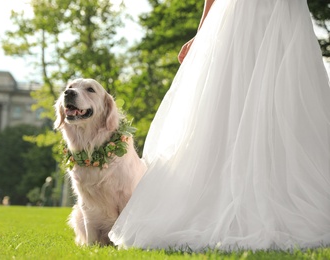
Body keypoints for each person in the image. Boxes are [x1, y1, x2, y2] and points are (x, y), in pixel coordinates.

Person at [109, 0, 330, 251]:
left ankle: (273, 195)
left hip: (285, 14)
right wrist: (202, 32)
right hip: (241, 17)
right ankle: (233, 199)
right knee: (228, 108)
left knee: (288, 105)